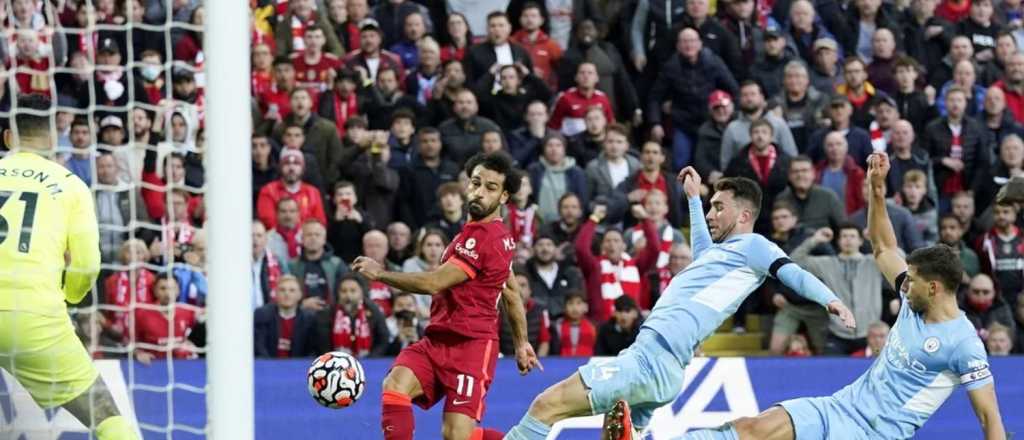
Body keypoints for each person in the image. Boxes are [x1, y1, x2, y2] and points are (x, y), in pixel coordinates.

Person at [673, 152, 1006, 440]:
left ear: (934, 288)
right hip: (839, 407)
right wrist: (877, 189)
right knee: (752, 427)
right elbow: (883, 247)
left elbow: (989, 417)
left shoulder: (963, 344)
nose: (905, 284)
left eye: (913, 280)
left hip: (874, 433)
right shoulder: (912, 296)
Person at [506, 169, 854, 440]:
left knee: (546, 405)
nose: (712, 214)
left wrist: (831, 300)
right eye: (711, 206)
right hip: (659, 363)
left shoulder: (756, 247)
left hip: (651, 359)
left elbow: (793, 273)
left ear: (744, 215)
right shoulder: (723, 256)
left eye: (719, 207)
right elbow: (702, 252)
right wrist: (693, 199)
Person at [352, 152, 540, 440]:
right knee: (395, 385)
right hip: (438, 339)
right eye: (475, 183)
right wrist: (521, 343)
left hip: (471, 347)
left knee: (456, 436)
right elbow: (511, 291)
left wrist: (380, 274)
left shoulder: (485, 238)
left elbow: (433, 283)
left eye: (490, 187)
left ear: (504, 196)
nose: (479, 192)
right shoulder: (484, 234)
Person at [0, 96, 136, 438]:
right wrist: (69, 297)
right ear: (52, 138)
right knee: (107, 418)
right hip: (33, 317)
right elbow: (87, 264)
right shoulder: (70, 185)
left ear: (7, 138)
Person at [791, 224, 884, 355]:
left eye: (852, 236)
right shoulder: (827, 263)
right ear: (838, 241)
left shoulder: (874, 262)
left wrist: (876, 239)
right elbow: (794, 261)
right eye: (844, 236)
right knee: (830, 366)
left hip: (869, 334)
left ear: (860, 241)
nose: (848, 239)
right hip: (838, 333)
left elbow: (900, 257)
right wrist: (814, 240)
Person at [253, 275, 324, 358]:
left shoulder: (309, 319)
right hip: (268, 364)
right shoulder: (262, 314)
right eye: (282, 290)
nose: (287, 294)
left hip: (299, 365)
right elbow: (259, 349)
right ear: (276, 294)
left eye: (292, 290)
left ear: (300, 295)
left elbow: (313, 352)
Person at [550, 290, 596, 356]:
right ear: (564, 307)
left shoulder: (592, 326)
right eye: (570, 303)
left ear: (585, 307)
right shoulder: (557, 326)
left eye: (578, 303)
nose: (574, 308)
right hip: (563, 361)